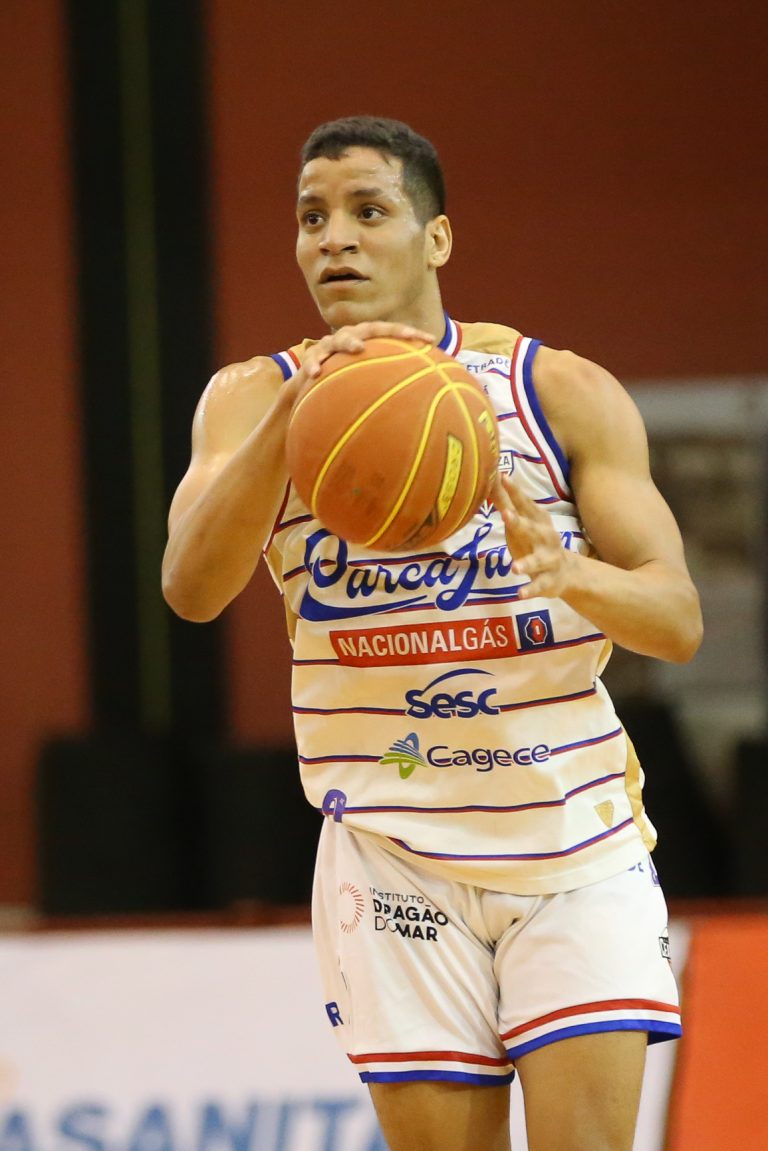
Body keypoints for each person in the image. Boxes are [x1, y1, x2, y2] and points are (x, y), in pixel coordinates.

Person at [162, 116, 703, 1151]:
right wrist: (295, 413)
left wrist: (570, 573)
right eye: (311, 217)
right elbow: (190, 589)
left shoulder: (554, 392)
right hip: (392, 849)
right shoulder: (250, 399)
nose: (334, 238)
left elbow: (677, 619)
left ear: (437, 238)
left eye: (368, 211)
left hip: (572, 837)